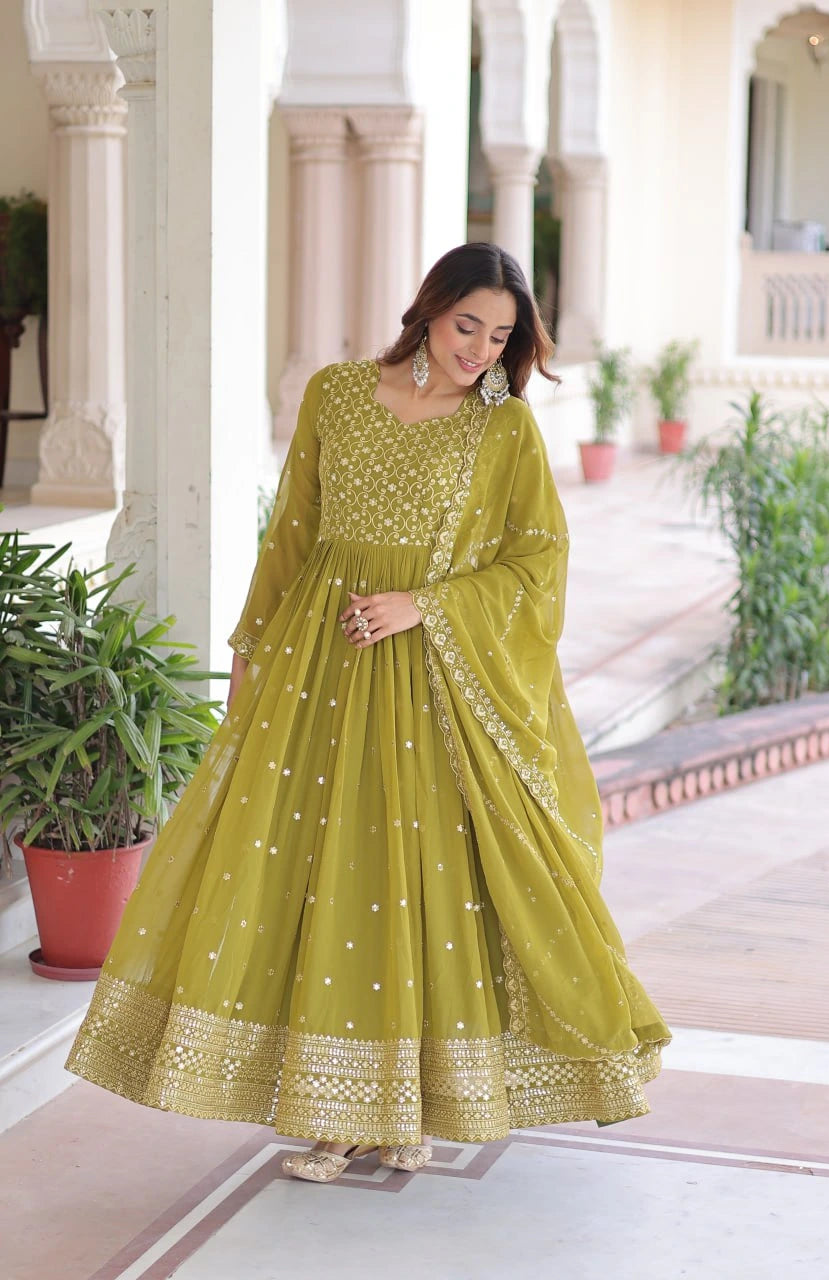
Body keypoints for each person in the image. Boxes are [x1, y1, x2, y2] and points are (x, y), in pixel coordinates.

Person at [66, 242, 670, 1184]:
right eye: (466, 323)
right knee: (325, 872)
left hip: (432, 676)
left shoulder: (502, 430)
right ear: (426, 309)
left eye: (500, 335)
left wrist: (423, 605)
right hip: (323, 664)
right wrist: (253, 641)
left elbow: (537, 561)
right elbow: (294, 530)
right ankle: (337, 1111)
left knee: (418, 877)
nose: (478, 349)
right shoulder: (337, 394)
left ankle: (407, 1105)